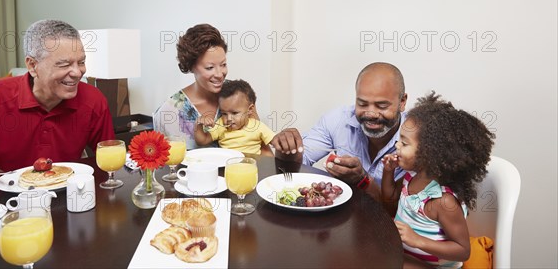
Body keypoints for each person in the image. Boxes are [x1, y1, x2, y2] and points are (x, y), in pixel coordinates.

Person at [0, 20, 115, 189]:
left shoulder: (94, 100)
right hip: (4, 204)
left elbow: (111, 162)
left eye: (81, 62)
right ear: (32, 65)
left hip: (69, 199)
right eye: (64, 64)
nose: (77, 73)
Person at [381, 92, 495, 268]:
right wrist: (388, 172)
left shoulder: (443, 201)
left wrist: (417, 240)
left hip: (433, 265)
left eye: (404, 143)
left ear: (429, 154)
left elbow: (463, 250)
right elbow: (389, 196)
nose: (397, 146)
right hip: (405, 254)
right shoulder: (411, 175)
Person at [270, 62, 408, 194]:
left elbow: (402, 210)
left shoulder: (418, 137)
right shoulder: (337, 120)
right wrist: (287, 147)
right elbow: (292, 167)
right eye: (362, 104)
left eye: (381, 106)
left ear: (402, 102)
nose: (371, 113)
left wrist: (362, 181)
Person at [153, 24, 228, 149]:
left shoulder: (238, 95)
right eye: (209, 67)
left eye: (223, 64)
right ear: (191, 66)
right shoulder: (169, 112)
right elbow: (163, 165)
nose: (220, 74)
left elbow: (262, 147)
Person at [194, 79, 274, 156]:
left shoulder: (258, 126)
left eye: (234, 113)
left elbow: (275, 141)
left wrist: (282, 141)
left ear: (250, 109)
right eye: (224, 113)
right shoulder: (220, 125)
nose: (228, 119)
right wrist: (199, 124)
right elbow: (202, 141)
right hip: (228, 166)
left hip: (251, 166)